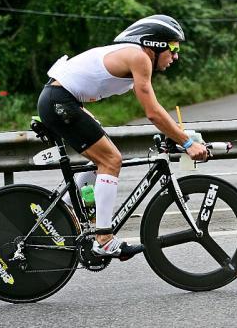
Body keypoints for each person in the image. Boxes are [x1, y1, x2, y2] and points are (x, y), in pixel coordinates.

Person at [37, 15, 207, 259]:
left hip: (62, 99)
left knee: (103, 157)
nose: (176, 56)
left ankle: (75, 207)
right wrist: (187, 142)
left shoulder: (132, 55)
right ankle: (103, 239)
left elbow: (79, 80)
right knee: (111, 160)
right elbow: (153, 112)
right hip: (59, 101)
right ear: (155, 45)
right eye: (173, 48)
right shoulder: (139, 57)